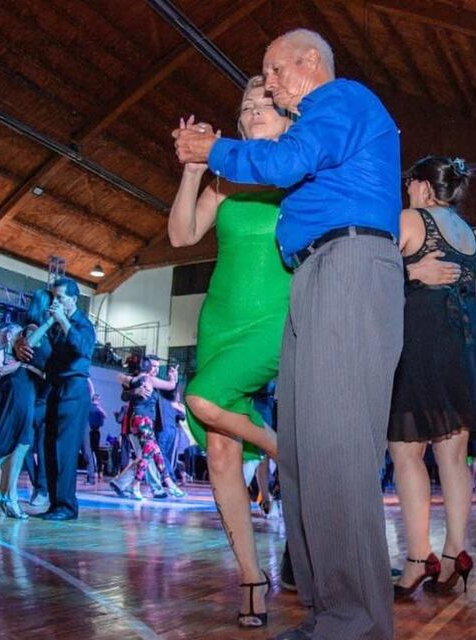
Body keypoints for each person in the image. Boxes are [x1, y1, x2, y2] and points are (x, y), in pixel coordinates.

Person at [173, 29, 403, 640]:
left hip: (348, 266)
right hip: (316, 273)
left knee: (336, 452)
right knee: (302, 453)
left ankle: (357, 621)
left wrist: (210, 147)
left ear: (309, 62)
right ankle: (331, 614)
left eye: (273, 71)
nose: (268, 84)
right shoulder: (316, 124)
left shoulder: (342, 99)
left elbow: (281, 161)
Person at [169, 75, 291, 629]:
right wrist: (195, 169)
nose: (254, 108)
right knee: (219, 452)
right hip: (220, 320)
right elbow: (181, 236)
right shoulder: (225, 180)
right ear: (238, 125)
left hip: (276, 320)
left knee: (201, 397)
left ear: (289, 117)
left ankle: (285, 451)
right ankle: (250, 577)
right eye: (246, 105)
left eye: (266, 101)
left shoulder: (299, 176)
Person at [388, 155, 476, 599]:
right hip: (466, 344)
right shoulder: (470, 234)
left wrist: (410, 271)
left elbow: (376, 273)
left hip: (424, 342)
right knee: (452, 458)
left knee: (405, 450)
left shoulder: (409, 218)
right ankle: (456, 553)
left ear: (418, 186)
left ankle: (418, 557)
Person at [17, 277, 96, 521]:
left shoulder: (83, 324)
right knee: (49, 447)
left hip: (74, 390)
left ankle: (67, 506)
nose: (55, 303)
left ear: (73, 299)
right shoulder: (52, 325)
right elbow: (40, 351)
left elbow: (83, 349)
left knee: (65, 449)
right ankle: (54, 502)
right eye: (53, 298)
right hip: (54, 387)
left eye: (60, 298)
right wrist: (19, 343)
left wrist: (63, 321)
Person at [0, 297, 55, 518]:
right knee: (21, 443)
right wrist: (50, 322)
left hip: (27, 387)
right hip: (21, 387)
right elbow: (30, 346)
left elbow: (36, 366)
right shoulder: (33, 327)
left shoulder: (42, 331)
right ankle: (8, 497)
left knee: (20, 444)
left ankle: (5, 496)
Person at [118, 356, 186, 500]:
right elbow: (124, 394)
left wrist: (174, 380)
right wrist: (173, 378)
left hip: (144, 422)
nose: (155, 369)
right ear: (147, 366)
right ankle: (139, 486)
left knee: (154, 454)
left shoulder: (141, 380)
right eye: (153, 366)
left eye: (157, 366)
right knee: (147, 456)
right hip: (141, 423)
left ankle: (169, 485)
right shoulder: (147, 379)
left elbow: (171, 393)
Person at [87, 393, 106, 481]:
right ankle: (98, 470)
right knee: (94, 451)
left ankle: (95, 470)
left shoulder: (95, 409)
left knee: (91, 451)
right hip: (94, 431)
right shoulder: (96, 409)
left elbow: (104, 416)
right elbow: (105, 417)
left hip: (92, 432)